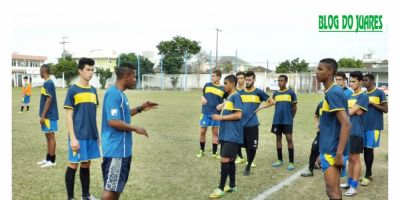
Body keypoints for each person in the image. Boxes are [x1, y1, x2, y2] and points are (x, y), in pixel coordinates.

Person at [101, 62, 158, 200]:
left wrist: (140, 108)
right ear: (125, 76)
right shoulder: (113, 94)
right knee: (111, 189)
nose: (135, 80)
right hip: (116, 150)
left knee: (117, 189)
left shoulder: (120, 94)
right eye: (134, 76)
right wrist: (135, 128)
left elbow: (123, 115)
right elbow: (113, 121)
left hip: (124, 151)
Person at [64, 58, 101, 200]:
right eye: (88, 69)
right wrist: (73, 138)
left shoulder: (93, 91)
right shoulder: (73, 90)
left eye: (92, 70)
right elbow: (68, 116)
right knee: (73, 165)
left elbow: (93, 115)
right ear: (80, 70)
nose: (91, 73)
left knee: (86, 164)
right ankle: (70, 197)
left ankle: (85, 195)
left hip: (91, 135)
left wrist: (96, 134)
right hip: (78, 136)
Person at [316, 58, 351, 200]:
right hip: (328, 149)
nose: (316, 72)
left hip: (332, 151)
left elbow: (346, 124)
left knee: (333, 192)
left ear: (330, 72)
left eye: (320, 69)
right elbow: (330, 125)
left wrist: (339, 153)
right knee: (333, 191)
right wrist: (321, 152)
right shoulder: (331, 91)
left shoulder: (333, 93)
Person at [209, 75, 243, 198]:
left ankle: (221, 188)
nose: (224, 85)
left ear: (233, 84)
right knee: (230, 160)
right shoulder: (229, 97)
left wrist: (220, 117)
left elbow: (238, 115)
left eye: (226, 83)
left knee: (224, 159)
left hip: (232, 135)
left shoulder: (236, 96)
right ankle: (232, 185)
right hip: (226, 134)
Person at [238, 71, 275, 175]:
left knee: (252, 147)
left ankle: (248, 166)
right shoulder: (240, 93)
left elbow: (272, 102)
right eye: (246, 80)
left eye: (249, 80)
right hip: (240, 124)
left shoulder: (258, 92)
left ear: (254, 80)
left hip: (252, 124)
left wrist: (261, 107)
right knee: (236, 145)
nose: (247, 82)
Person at [339, 71, 369, 196]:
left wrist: (352, 110)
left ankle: (354, 186)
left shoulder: (363, 96)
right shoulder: (350, 96)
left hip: (356, 131)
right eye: (350, 81)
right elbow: (351, 111)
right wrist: (352, 110)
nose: (351, 83)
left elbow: (350, 112)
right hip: (347, 131)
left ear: (361, 82)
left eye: (354, 81)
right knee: (350, 158)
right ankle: (349, 182)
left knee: (355, 158)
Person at [360, 74, 388, 186]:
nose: (364, 82)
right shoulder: (363, 94)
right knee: (365, 150)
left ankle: (367, 175)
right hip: (363, 126)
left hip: (374, 126)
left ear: (372, 81)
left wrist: (372, 103)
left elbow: (385, 109)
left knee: (369, 149)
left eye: (366, 80)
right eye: (363, 81)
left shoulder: (379, 93)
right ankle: (369, 173)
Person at [270, 75, 297, 170]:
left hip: (287, 120)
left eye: (281, 81)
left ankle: (291, 162)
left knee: (289, 139)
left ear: (286, 82)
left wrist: (291, 118)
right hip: (277, 120)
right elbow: (271, 104)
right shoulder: (275, 94)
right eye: (278, 80)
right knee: (278, 138)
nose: (279, 82)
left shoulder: (291, 93)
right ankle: (279, 160)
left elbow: (294, 108)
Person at [198, 70, 226, 158]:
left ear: (219, 77)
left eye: (213, 76)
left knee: (215, 133)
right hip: (205, 112)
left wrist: (222, 104)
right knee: (202, 131)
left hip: (216, 114)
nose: (212, 78)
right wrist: (202, 98)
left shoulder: (223, 89)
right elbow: (202, 95)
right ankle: (201, 151)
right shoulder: (207, 85)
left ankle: (214, 153)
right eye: (212, 76)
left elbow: (229, 100)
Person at [37, 64, 59, 168]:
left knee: (51, 136)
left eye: (40, 71)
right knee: (47, 136)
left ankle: (52, 160)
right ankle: (48, 158)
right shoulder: (46, 83)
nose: (39, 73)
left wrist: (43, 115)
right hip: (46, 115)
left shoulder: (49, 83)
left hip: (49, 115)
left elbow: (49, 99)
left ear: (43, 71)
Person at [301, 101, 323, 177]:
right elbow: (316, 115)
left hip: (332, 134)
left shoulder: (335, 104)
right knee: (314, 148)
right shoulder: (321, 104)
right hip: (321, 133)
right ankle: (310, 170)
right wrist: (317, 126)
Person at [235, 71, 245, 164]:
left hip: (247, 117)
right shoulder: (234, 90)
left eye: (241, 78)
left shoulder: (248, 90)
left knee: (248, 138)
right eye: (238, 78)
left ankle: (250, 159)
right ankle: (240, 156)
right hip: (236, 117)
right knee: (237, 137)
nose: (239, 80)